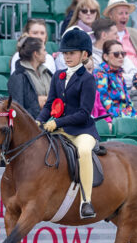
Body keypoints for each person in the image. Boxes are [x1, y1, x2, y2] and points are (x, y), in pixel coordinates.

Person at [36, 29, 99, 219]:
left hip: (82, 131)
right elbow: (49, 104)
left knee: (84, 152)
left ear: (84, 55)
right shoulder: (58, 76)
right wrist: (39, 120)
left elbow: (83, 113)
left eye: (71, 53)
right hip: (61, 130)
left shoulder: (88, 80)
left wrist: (57, 122)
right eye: (65, 53)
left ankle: (86, 201)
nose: (67, 57)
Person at [7, 37, 52, 118]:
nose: (46, 53)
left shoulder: (47, 73)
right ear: (36, 54)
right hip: (32, 126)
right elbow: (17, 111)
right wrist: (37, 104)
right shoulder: (18, 76)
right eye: (44, 50)